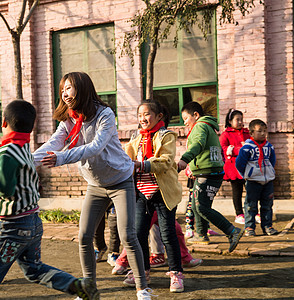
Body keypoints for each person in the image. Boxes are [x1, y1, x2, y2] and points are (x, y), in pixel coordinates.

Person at [0, 100, 99, 300]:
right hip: (32, 223)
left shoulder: (6, 152)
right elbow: (7, 175)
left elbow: (5, 188)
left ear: (3, 122)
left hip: (11, 227)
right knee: (34, 270)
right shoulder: (23, 150)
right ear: (32, 127)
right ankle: (78, 286)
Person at [33, 72, 154, 300]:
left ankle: (142, 288)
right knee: (84, 236)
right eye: (62, 89)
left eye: (69, 88)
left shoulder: (104, 114)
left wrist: (60, 158)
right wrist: (28, 160)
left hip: (120, 181)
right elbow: (54, 142)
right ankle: (89, 288)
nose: (64, 93)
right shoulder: (69, 118)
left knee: (127, 235)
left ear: (82, 88)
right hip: (95, 185)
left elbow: (96, 147)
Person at [121, 101, 185, 292]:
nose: (143, 118)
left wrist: (141, 165)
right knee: (139, 234)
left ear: (159, 117)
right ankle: (143, 273)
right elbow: (127, 159)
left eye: (147, 114)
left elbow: (165, 161)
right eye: (140, 115)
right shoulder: (136, 137)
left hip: (163, 194)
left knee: (168, 234)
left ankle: (176, 274)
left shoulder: (166, 136)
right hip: (141, 193)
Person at [177, 101, 243, 253]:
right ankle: (201, 234)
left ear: (196, 115)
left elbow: (198, 145)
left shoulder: (200, 126)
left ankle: (232, 231)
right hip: (205, 171)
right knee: (196, 204)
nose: (185, 123)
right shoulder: (207, 127)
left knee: (202, 207)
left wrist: (185, 159)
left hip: (208, 173)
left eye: (186, 118)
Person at [235, 119, 278, 237]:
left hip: (267, 181)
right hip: (253, 181)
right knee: (250, 205)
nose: (263, 133)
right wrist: (247, 174)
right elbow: (239, 163)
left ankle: (267, 226)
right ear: (252, 133)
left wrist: (269, 171)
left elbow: (272, 161)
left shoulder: (269, 147)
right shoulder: (247, 148)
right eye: (260, 131)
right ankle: (249, 227)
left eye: (265, 131)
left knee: (267, 205)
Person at [219, 109, 254, 225]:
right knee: (237, 191)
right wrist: (240, 149)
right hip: (234, 168)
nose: (240, 122)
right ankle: (239, 214)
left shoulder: (247, 133)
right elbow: (224, 150)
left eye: (241, 120)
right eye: (237, 120)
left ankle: (253, 212)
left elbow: (253, 146)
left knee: (252, 190)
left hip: (248, 167)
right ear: (230, 121)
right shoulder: (226, 135)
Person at [93, 202, 120, 266]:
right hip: (98, 195)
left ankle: (113, 252)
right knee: (96, 223)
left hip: (114, 197)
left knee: (114, 225)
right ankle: (99, 247)